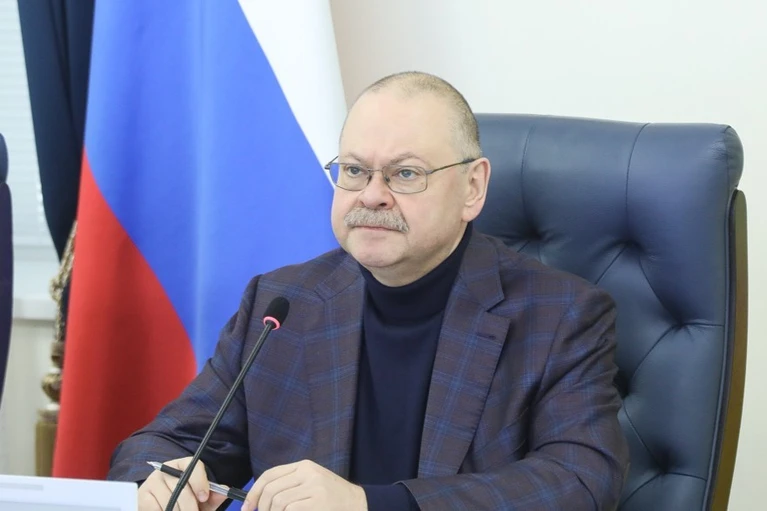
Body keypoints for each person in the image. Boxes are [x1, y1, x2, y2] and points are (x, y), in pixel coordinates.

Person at [108, 71, 630, 510]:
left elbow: (582, 479)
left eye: (405, 173)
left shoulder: (561, 314)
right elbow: (165, 442)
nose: (372, 196)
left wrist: (369, 504)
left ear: (473, 188)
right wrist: (160, 477)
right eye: (355, 170)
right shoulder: (282, 303)